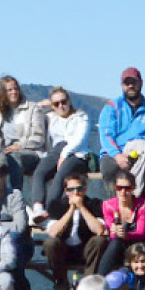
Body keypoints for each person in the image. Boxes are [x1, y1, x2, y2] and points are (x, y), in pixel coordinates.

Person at [98, 67, 145, 197]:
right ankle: (116, 207)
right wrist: (118, 155)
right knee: (109, 169)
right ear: (122, 85)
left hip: (143, 154)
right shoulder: (112, 107)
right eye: (127, 83)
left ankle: (140, 207)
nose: (131, 86)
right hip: (116, 152)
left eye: (134, 82)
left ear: (141, 83)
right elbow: (106, 135)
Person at [0, 76, 48, 200]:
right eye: (9, 90)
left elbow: (38, 138)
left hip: (31, 153)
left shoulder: (33, 109)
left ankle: (16, 197)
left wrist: (19, 146)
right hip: (5, 153)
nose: (14, 92)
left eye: (16, 89)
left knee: (15, 156)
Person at [29, 86, 92, 214]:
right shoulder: (51, 117)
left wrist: (64, 155)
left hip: (77, 154)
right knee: (40, 172)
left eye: (63, 102)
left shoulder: (81, 117)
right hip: (57, 151)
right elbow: (32, 111)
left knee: (61, 175)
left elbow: (79, 140)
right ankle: (38, 208)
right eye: (56, 104)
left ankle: (50, 210)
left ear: (69, 101)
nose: (61, 106)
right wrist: (42, 104)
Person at [38, 175, 105, 290]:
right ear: (66, 191)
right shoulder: (57, 205)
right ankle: (60, 282)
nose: (75, 193)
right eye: (71, 189)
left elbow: (99, 230)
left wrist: (81, 207)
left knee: (99, 240)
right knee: (50, 243)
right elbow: (53, 232)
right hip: (64, 251)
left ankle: (87, 284)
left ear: (85, 189)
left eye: (79, 189)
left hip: (86, 250)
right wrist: (71, 210)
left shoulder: (94, 204)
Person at [89, 176, 145, 276]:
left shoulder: (144, 205)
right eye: (119, 188)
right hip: (117, 244)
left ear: (133, 188)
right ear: (115, 188)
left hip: (138, 241)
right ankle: (100, 278)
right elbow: (113, 234)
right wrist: (115, 231)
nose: (123, 191)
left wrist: (125, 235)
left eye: (127, 188)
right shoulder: (108, 205)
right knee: (115, 243)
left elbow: (141, 233)